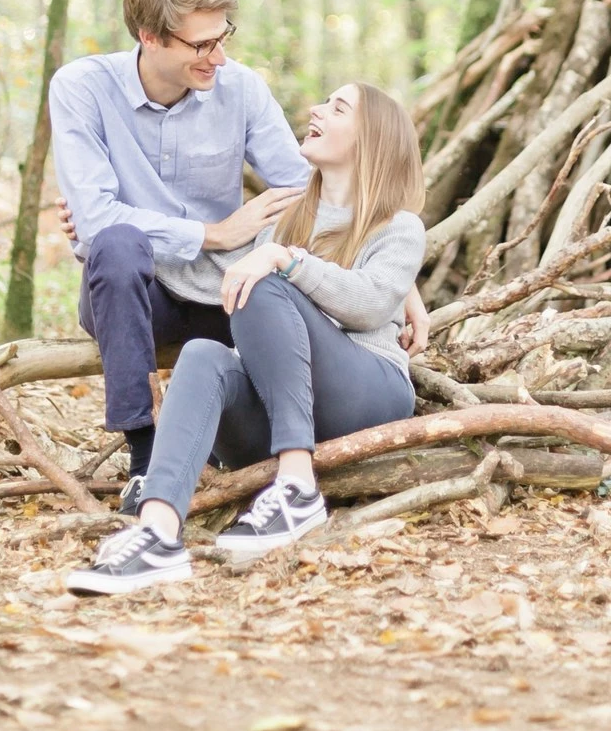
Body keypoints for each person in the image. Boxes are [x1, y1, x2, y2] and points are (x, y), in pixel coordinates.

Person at [50, 0, 428, 515]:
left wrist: (396, 285)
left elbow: (318, 186)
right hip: (135, 294)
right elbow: (98, 218)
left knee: (256, 287)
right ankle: (143, 458)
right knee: (116, 242)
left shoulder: (241, 89)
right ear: (150, 37)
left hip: (226, 292)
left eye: (223, 38)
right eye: (202, 46)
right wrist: (212, 232)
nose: (219, 57)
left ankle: (284, 474)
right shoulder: (82, 88)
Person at [66, 81, 426, 596]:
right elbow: (209, 273)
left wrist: (286, 261)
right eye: (323, 99)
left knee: (264, 281)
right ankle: (158, 535)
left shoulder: (400, 226)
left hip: (367, 392)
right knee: (204, 354)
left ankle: (297, 487)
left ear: (371, 140)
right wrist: (101, 235)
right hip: (280, 411)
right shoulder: (285, 216)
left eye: (337, 107)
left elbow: (369, 303)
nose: (316, 109)